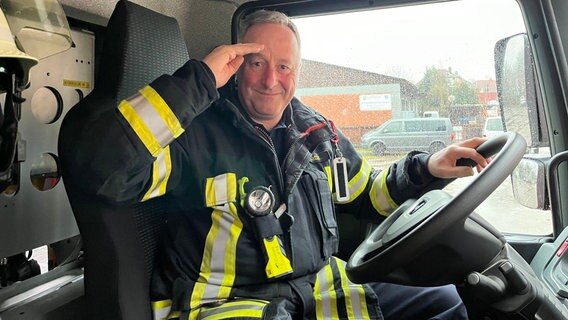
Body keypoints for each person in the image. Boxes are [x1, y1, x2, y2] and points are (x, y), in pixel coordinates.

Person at [70, 9, 489, 320]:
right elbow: (99, 171)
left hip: (320, 293)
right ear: (234, 67)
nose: (272, 79)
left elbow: (369, 194)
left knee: (445, 301)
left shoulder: (316, 131)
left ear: (297, 72)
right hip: (229, 305)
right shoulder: (190, 133)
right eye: (256, 63)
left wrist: (428, 168)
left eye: (284, 66)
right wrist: (197, 79)